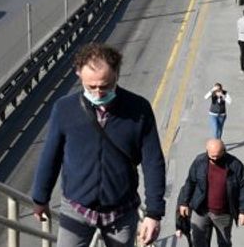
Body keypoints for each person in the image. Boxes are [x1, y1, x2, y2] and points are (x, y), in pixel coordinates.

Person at [31, 43, 166, 247]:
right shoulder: (64, 109)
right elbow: (51, 156)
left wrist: (154, 213)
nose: (98, 93)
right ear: (79, 75)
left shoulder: (139, 109)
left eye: (104, 86)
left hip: (121, 211)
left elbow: (153, 162)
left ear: (117, 76)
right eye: (90, 87)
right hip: (76, 209)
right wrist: (40, 199)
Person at [178, 139, 244, 247]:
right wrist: (184, 202)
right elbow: (190, 182)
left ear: (224, 151)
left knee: (224, 243)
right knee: (198, 242)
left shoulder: (235, 165)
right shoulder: (199, 162)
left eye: (218, 156)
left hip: (224, 214)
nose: (215, 159)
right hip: (201, 211)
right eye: (212, 156)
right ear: (207, 152)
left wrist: (243, 211)